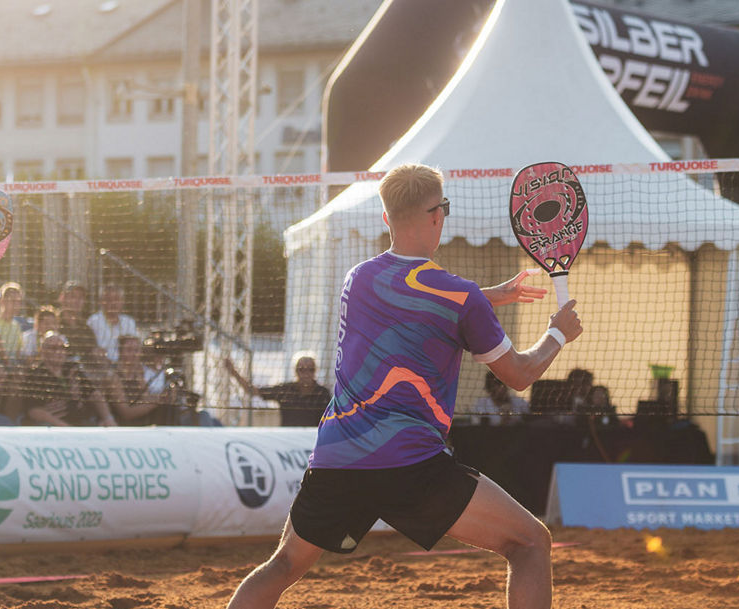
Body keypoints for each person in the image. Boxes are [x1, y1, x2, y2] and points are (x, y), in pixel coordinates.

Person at [225, 163, 577, 609]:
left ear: (386, 217)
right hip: (411, 465)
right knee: (530, 544)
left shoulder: (358, 279)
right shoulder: (461, 298)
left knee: (282, 567)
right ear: (436, 215)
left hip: (338, 456)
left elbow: (416, 297)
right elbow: (519, 374)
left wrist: (489, 296)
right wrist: (558, 333)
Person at [20, 331, 116, 427]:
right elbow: (34, 411)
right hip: (53, 427)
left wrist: (108, 418)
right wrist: (64, 427)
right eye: (54, 348)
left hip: (81, 422)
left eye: (63, 348)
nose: (59, 352)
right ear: (43, 351)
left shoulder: (72, 369)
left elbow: (94, 394)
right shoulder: (35, 375)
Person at [222, 352, 331, 427]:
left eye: (310, 369)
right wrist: (233, 372)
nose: (306, 374)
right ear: (296, 371)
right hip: (288, 441)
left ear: (315, 371)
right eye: (302, 369)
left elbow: (332, 422)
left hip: (313, 441)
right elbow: (253, 391)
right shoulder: (285, 390)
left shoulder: (323, 394)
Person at [88, 283, 138, 363]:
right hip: (102, 368)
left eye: (117, 299)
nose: (113, 303)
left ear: (122, 301)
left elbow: (136, 350)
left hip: (125, 368)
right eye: (108, 299)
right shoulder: (93, 321)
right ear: (101, 302)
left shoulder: (129, 322)